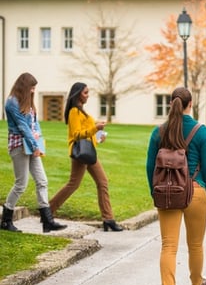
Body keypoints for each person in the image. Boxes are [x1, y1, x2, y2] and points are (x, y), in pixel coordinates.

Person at [146, 86, 206, 285]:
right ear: (190, 104)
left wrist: (154, 191)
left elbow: (150, 167)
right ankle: (196, 284)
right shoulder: (202, 132)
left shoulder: (159, 132)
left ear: (171, 104)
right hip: (196, 191)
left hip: (167, 193)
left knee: (168, 245)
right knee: (195, 244)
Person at [49, 82, 122, 232]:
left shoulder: (82, 111)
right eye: (85, 93)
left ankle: (108, 219)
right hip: (80, 154)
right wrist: (96, 127)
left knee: (103, 182)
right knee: (73, 184)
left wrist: (98, 136)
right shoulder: (74, 112)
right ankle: (47, 211)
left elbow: (86, 133)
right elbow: (77, 135)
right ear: (77, 94)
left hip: (89, 152)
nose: (88, 95)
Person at [2, 73, 67, 233]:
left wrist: (38, 137)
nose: (33, 91)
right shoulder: (12, 102)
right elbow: (23, 126)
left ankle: (47, 221)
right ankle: (6, 220)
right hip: (19, 145)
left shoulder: (28, 102)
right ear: (24, 87)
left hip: (31, 145)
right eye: (31, 88)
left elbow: (34, 123)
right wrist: (35, 144)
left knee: (42, 181)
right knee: (21, 184)